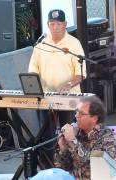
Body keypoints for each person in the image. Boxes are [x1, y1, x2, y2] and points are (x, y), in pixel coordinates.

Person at [28, 9, 86, 168]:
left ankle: (71, 168)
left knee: (68, 134)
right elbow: (33, 70)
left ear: (65, 24)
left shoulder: (74, 44)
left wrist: (68, 85)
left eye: (58, 24)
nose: (55, 27)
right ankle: (48, 169)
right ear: (48, 25)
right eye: (52, 24)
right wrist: (32, 84)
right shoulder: (41, 45)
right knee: (46, 137)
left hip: (69, 99)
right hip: (47, 98)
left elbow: (81, 74)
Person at [54, 96, 116, 179]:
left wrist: (72, 142)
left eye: (81, 114)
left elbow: (93, 170)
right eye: (76, 112)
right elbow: (61, 169)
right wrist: (62, 150)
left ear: (94, 118)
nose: (76, 116)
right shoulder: (77, 133)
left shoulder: (108, 138)